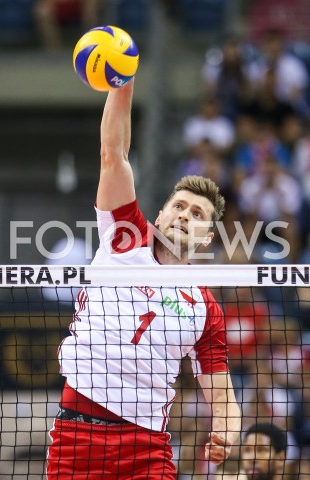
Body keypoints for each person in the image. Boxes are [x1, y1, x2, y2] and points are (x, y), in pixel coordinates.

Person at [46, 79, 241, 479]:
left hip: (146, 449)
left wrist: (227, 427)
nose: (185, 214)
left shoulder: (205, 308)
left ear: (206, 238)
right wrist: (123, 81)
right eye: (179, 206)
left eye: (198, 214)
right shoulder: (125, 237)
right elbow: (113, 155)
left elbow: (220, 389)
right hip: (77, 436)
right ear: (161, 217)